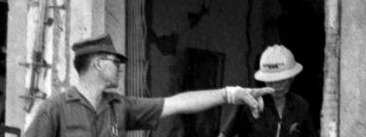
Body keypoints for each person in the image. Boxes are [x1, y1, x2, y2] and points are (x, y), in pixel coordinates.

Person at [23, 33, 272, 137]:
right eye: (114, 61)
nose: (120, 66)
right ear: (97, 64)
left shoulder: (120, 106)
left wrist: (230, 94)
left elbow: (177, 103)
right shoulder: (55, 108)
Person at [219, 44, 316, 137]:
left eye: (282, 81)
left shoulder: (301, 106)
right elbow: (225, 134)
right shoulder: (249, 102)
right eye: (271, 81)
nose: (277, 86)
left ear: (292, 77)